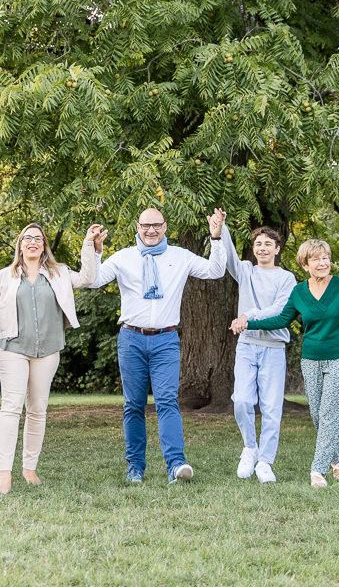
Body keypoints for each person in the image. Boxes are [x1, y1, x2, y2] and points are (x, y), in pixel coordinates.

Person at [0, 223, 106, 494]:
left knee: (37, 410)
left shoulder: (59, 273)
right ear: (20, 245)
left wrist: (91, 246)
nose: (32, 242)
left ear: (44, 245)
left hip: (48, 351)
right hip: (13, 350)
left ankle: (29, 468)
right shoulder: (5, 276)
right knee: (11, 408)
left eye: (38, 238)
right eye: (27, 238)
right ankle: (4, 473)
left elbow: (89, 278)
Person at [90, 207, 227, 484]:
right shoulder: (123, 258)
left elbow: (215, 270)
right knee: (134, 404)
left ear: (165, 226)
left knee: (167, 401)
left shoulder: (180, 256)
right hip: (131, 338)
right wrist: (96, 252)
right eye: (145, 225)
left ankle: (176, 465)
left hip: (166, 339)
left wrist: (216, 237)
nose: (151, 230)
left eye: (156, 225)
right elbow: (92, 280)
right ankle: (135, 468)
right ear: (137, 227)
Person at [231, 239, 339, 488]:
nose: (322, 263)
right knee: (318, 416)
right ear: (305, 264)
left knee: (330, 414)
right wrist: (249, 324)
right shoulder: (299, 292)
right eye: (316, 259)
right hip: (310, 359)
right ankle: (338, 461)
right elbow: (281, 320)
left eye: (325, 258)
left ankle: (317, 470)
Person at [219, 217, 296, 483]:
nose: (262, 248)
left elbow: (279, 310)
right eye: (258, 244)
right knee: (241, 400)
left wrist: (248, 317)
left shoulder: (287, 278)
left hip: (273, 347)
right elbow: (228, 257)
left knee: (272, 408)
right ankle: (250, 448)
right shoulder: (246, 271)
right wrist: (221, 229)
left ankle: (265, 462)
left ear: (277, 249)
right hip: (248, 346)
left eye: (268, 244)